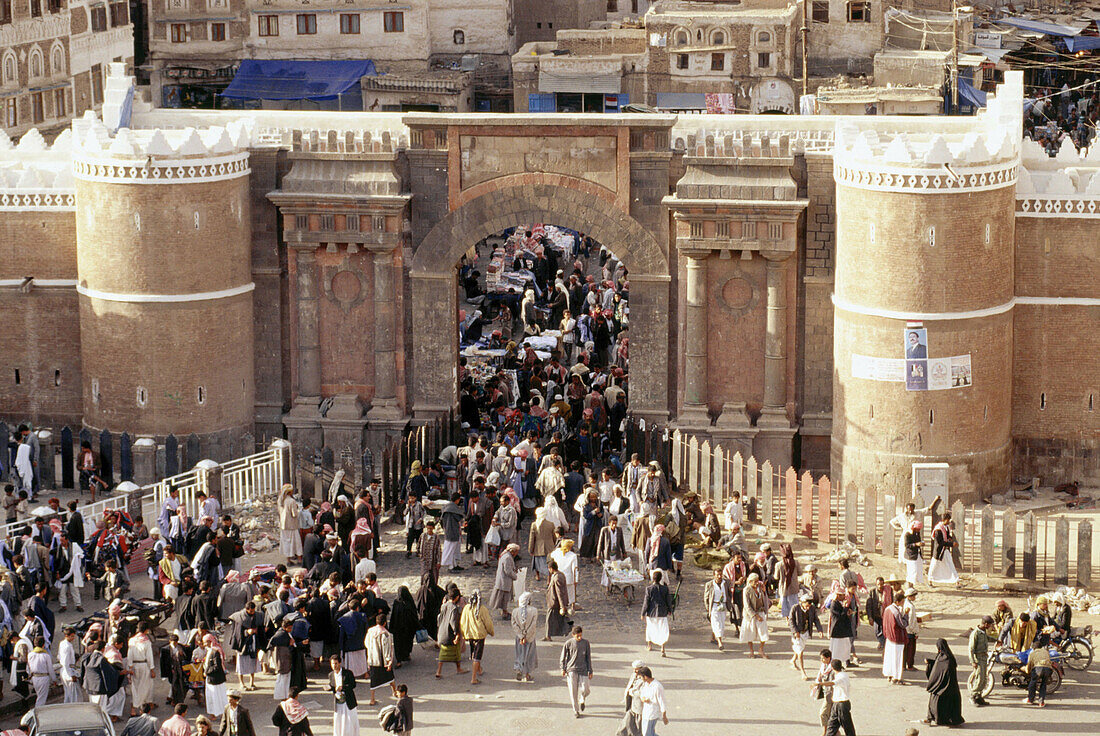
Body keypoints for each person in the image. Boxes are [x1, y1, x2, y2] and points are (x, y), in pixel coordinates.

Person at [922, 638, 965, 726]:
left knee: (939, 702)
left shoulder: (948, 659)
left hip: (947, 686)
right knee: (934, 701)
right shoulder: (941, 656)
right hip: (941, 686)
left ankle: (944, 720)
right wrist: (930, 662)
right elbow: (938, 666)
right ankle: (930, 718)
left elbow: (943, 669)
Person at [459, 591, 494, 685]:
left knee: (474, 653)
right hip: (479, 635)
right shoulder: (482, 609)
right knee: (477, 657)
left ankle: (479, 670)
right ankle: (474, 678)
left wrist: (463, 633)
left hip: (470, 635)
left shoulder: (466, 608)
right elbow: (488, 623)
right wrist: (491, 632)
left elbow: (462, 622)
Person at [560, 625, 593, 718]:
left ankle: (582, 698)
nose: (579, 637)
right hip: (571, 670)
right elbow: (563, 656)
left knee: (586, 689)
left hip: (583, 669)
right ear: (573, 635)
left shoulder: (586, 643)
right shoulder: (568, 643)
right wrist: (563, 668)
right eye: (577, 636)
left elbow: (588, 657)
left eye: (581, 635)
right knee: (573, 691)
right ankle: (576, 710)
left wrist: (590, 670)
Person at [365, 613, 398, 704]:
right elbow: (386, 649)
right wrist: (389, 661)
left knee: (374, 680)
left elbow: (366, 644)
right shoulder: (386, 634)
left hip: (373, 660)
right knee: (390, 677)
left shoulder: (370, 631)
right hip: (382, 661)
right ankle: (394, 691)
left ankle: (372, 699)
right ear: (384, 623)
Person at [790, 594, 824, 679]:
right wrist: (795, 631)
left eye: (809, 605)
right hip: (797, 634)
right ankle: (803, 671)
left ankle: (793, 660)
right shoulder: (795, 608)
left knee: (799, 648)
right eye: (807, 605)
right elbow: (791, 621)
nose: (808, 607)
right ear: (802, 602)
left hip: (805, 632)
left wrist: (820, 630)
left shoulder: (812, 609)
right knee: (800, 652)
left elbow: (816, 620)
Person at [434, 588, 466, 678]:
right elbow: (453, 622)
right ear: (457, 597)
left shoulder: (444, 606)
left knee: (443, 653)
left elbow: (439, 618)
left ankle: (439, 671)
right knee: (455, 652)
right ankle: (458, 668)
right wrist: (457, 634)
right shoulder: (454, 608)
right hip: (449, 634)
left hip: (442, 632)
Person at [127, 622, 157, 714]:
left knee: (135, 688)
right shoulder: (146, 641)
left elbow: (129, 655)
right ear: (146, 630)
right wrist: (152, 669)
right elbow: (149, 657)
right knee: (144, 687)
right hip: (144, 666)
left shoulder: (132, 640)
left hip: (134, 666)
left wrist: (130, 667)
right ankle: (141, 709)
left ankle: (133, 710)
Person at [641, 570, 672, 656]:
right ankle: (662, 647)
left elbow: (646, 603)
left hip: (651, 612)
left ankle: (649, 646)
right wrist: (670, 610)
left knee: (650, 629)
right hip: (662, 612)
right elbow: (668, 601)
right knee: (662, 630)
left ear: (652, 578)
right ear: (661, 578)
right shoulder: (665, 589)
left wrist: (642, 613)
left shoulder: (649, 589)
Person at [820, 660, 855, 736]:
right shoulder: (842, 675)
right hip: (836, 704)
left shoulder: (842, 676)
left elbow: (833, 683)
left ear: (832, 667)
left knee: (847, 726)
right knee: (831, 726)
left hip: (842, 704)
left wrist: (820, 683)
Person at [741, 572, 770, 658]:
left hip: (760, 611)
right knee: (750, 632)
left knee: (763, 632)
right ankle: (751, 651)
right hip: (750, 615)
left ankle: (761, 649)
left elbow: (764, 600)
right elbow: (747, 606)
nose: (757, 583)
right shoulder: (746, 590)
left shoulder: (760, 588)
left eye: (757, 581)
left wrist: (764, 592)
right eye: (755, 581)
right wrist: (755, 615)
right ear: (750, 582)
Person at [327, 655, 359, 736]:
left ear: (340, 663)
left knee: (350, 720)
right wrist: (329, 688)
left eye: (336, 663)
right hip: (338, 702)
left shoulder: (348, 673)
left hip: (348, 701)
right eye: (332, 664)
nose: (334, 666)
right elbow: (332, 685)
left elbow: (353, 685)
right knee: (339, 720)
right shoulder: (331, 675)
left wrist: (343, 688)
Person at [511, 591, 538, 682]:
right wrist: (526, 636)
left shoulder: (515, 611)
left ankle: (519, 669)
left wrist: (521, 636)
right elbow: (533, 625)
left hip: (519, 638)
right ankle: (527, 674)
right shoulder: (534, 611)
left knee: (520, 653)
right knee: (529, 655)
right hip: (530, 637)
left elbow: (514, 625)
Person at [882, 594, 908, 684]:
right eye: (902, 602)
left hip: (889, 637)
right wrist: (906, 615)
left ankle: (889, 674)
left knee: (890, 657)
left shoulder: (887, 609)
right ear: (897, 602)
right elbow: (903, 624)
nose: (903, 603)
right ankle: (896, 677)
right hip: (897, 638)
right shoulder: (896, 612)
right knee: (897, 658)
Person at [928, 513, 960, 587]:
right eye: (948, 520)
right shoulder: (938, 529)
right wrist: (951, 544)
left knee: (951, 564)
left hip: (945, 550)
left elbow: (946, 535)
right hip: (939, 551)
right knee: (934, 565)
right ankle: (930, 580)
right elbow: (939, 542)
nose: (949, 522)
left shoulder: (946, 527)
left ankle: (957, 581)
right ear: (944, 520)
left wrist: (949, 538)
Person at [489, 544, 520, 619]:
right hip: (504, 581)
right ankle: (504, 612)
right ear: (513, 551)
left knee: (504, 597)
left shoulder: (505, 555)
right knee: (504, 598)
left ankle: (504, 611)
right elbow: (508, 571)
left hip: (502, 580)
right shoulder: (507, 558)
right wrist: (515, 576)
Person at [968, 616, 993, 706]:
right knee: (979, 678)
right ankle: (973, 696)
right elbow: (971, 649)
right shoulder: (975, 633)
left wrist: (997, 640)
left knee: (984, 679)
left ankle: (979, 696)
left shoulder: (983, 632)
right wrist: (973, 661)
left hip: (984, 657)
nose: (990, 626)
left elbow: (988, 638)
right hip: (978, 658)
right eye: (989, 624)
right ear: (985, 624)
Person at [637, 666, 668, 736]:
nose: (640, 679)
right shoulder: (646, 684)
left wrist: (664, 716)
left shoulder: (657, 686)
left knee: (647, 734)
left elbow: (662, 702)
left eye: (641, 677)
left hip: (652, 714)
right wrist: (643, 699)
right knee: (648, 733)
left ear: (645, 676)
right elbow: (642, 693)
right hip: (645, 712)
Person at [545, 559, 571, 641]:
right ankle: (548, 635)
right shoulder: (559, 575)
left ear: (551, 568)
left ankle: (548, 635)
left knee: (550, 619)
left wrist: (562, 606)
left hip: (554, 602)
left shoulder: (557, 577)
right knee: (558, 619)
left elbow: (560, 592)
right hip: (555, 602)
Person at [204, 633, 229, 716]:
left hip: (216, 679)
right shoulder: (209, 651)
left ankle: (219, 714)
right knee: (211, 697)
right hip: (211, 678)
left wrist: (206, 672)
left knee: (217, 697)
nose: (204, 644)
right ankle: (214, 713)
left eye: (205, 642)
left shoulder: (215, 651)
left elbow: (217, 666)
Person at [703, 568, 729, 651]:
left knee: (721, 623)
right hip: (714, 605)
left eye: (720, 574)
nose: (719, 576)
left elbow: (728, 593)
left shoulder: (726, 583)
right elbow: (706, 598)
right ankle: (720, 642)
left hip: (723, 605)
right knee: (716, 623)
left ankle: (714, 637)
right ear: (714, 576)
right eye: (717, 575)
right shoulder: (709, 584)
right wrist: (708, 609)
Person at [618, 660, 646, 736]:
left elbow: (643, 693)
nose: (635, 671)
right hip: (631, 706)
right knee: (624, 727)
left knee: (640, 730)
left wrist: (632, 692)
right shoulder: (634, 675)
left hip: (640, 709)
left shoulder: (645, 679)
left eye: (636, 669)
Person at [812, 649, 835, 736]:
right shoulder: (824, 666)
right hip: (826, 692)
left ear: (828, 658)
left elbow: (834, 683)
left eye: (823, 659)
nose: (822, 661)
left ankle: (825, 732)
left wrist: (820, 683)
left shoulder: (832, 669)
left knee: (823, 713)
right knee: (829, 714)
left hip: (831, 694)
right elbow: (820, 675)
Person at [277, 486, 302, 564]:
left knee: (286, 542)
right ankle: (299, 559)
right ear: (290, 492)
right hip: (292, 525)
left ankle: (288, 560)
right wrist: (298, 509)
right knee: (296, 542)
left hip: (283, 525)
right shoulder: (291, 501)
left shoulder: (280, 500)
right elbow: (294, 514)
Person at [27, 636, 55, 706]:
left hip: (35, 678)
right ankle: (37, 711)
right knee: (41, 698)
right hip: (44, 678)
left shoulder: (30, 654)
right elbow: (50, 669)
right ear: (43, 645)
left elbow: (28, 668)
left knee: (39, 695)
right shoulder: (46, 655)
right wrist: (54, 679)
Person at [59, 625, 83, 702]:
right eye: (72, 636)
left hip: (65, 671)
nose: (73, 638)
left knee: (68, 694)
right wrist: (71, 674)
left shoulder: (63, 644)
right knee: (73, 696)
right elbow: (65, 662)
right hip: (68, 672)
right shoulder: (67, 646)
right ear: (67, 636)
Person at [902, 588, 922, 670]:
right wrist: (915, 632)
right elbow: (911, 621)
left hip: (905, 629)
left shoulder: (904, 604)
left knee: (904, 650)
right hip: (910, 631)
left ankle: (903, 665)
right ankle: (910, 665)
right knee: (911, 650)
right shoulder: (910, 606)